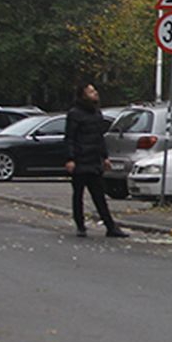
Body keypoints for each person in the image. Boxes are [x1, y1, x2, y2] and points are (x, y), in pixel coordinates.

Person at [64, 84, 128, 238]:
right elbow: (69, 138)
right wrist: (70, 158)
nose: (95, 93)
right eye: (91, 92)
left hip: (93, 160)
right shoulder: (75, 114)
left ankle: (110, 226)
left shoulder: (96, 113)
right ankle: (80, 226)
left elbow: (99, 138)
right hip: (80, 160)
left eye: (94, 91)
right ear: (83, 95)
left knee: (99, 195)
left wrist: (105, 157)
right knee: (78, 195)